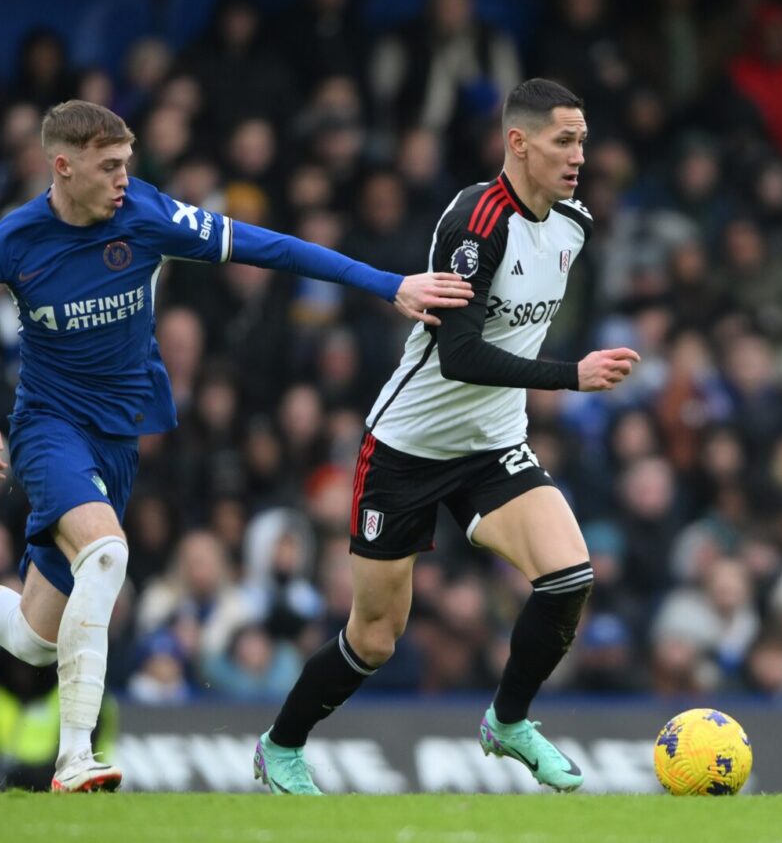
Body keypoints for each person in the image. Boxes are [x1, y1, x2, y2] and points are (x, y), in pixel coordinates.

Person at [0, 99, 472, 793]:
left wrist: (389, 284)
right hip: (48, 430)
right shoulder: (11, 242)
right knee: (108, 555)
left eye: (127, 165)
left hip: (117, 440)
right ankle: (75, 757)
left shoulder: (147, 213)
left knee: (33, 637)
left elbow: (272, 246)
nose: (121, 180)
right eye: (108, 167)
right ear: (62, 166)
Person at [253, 78, 640, 795]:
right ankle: (280, 745)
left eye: (583, 140)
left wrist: (555, 376)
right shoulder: (474, 221)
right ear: (518, 143)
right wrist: (570, 376)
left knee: (569, 577)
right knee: (374, 635)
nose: (580, 155)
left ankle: (510, 720)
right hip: (406, 447)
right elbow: (458, 355)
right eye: (565, 140)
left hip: (492, 444)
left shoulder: (575, 223)